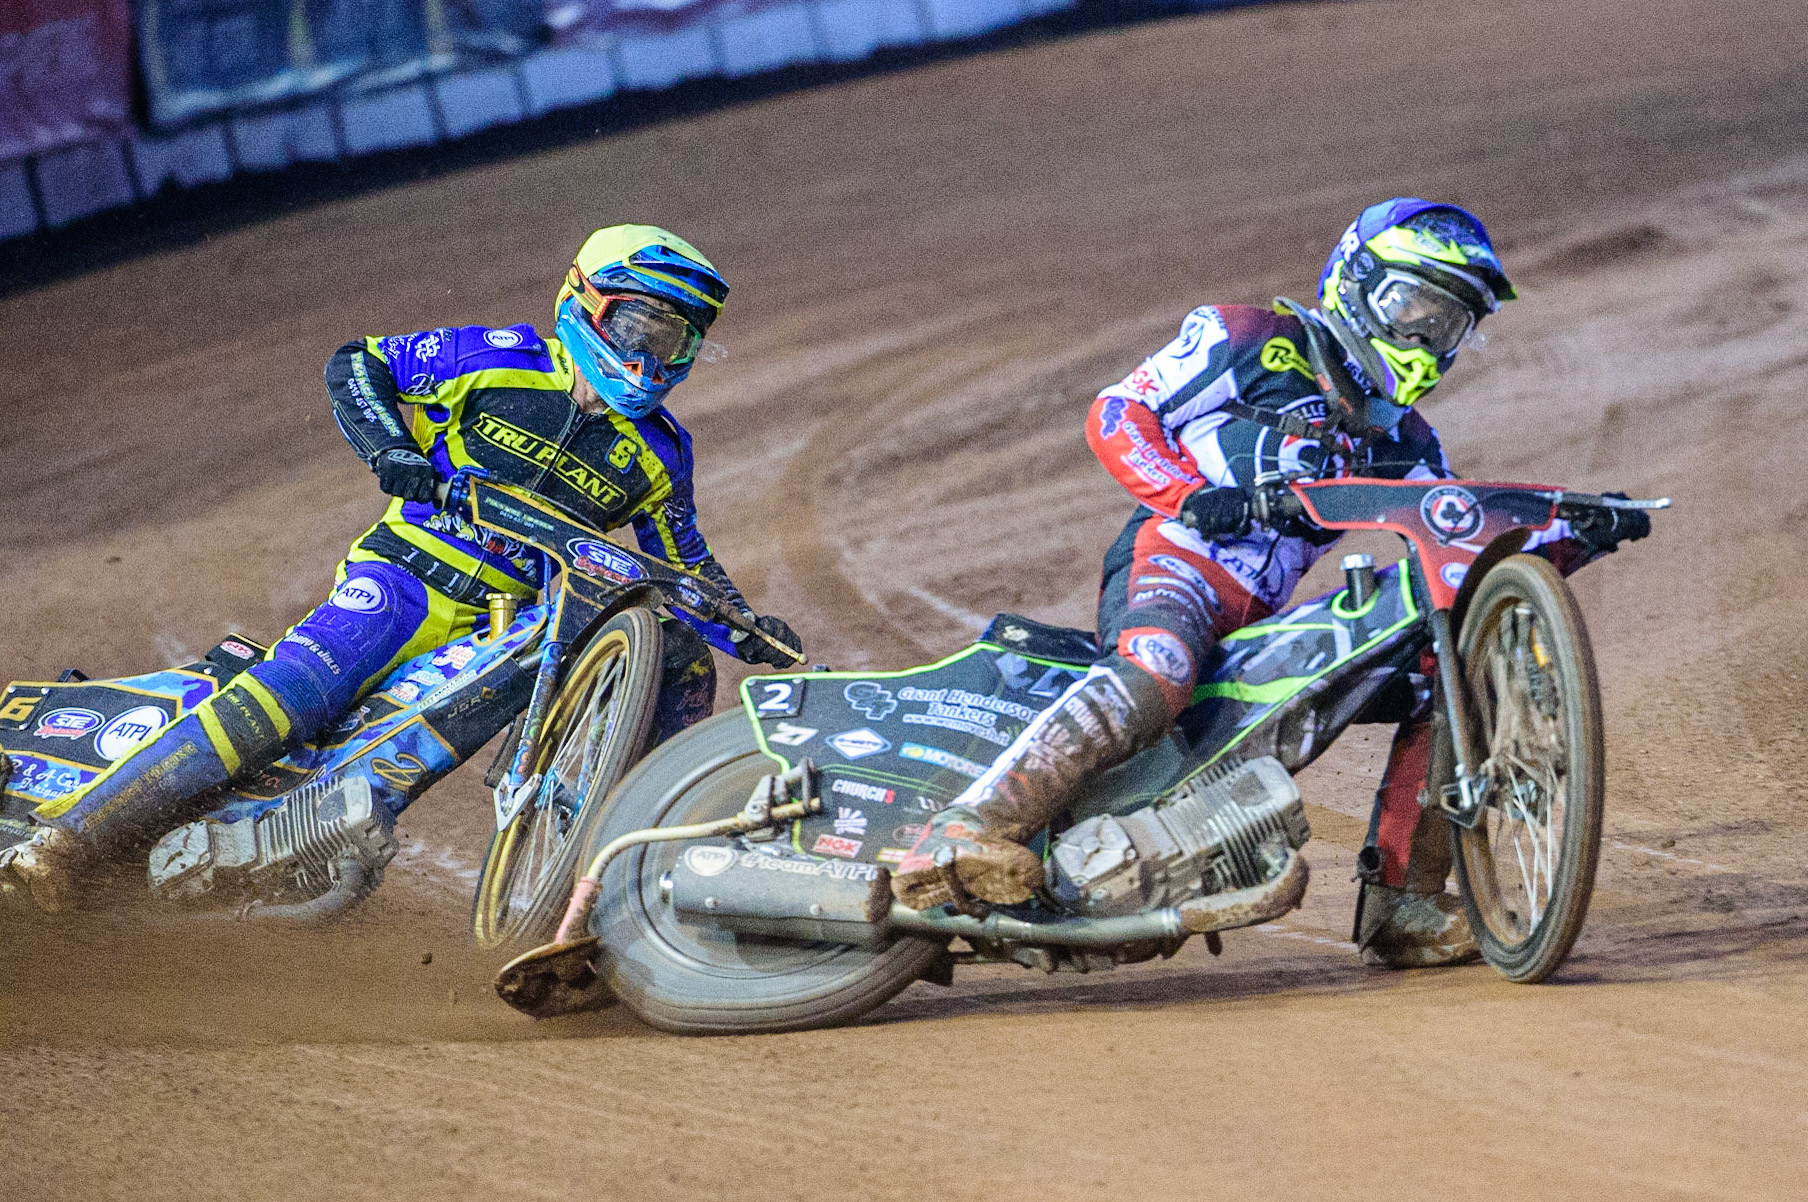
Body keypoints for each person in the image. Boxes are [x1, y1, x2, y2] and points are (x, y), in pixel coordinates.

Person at [892, 198, 1648, 967]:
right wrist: (1192, 495)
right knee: (1160, 666)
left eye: (1447, 322)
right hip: (1176, 562)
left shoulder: (1404, 438)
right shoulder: (1245, 338)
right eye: (1411, 305)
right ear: (1356, 282)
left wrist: (1576, 532)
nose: (1425, 334)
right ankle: (966, 827)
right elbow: (1119, 411)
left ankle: (1402, 902)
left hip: (1260, 618)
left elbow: (1456, 535)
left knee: (1441, 677)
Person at [1, 224, 801, 912]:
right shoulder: (499, 358)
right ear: (583, 303)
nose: (651, 356)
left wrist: (752, 631)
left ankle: (610, 878)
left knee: (395, 771)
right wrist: (390, 447)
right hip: (403, 579)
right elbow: (359, 364)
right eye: (637, 328)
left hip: (510, 621)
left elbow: (683, 567)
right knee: (295, 695)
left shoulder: (662, 454)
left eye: (675, 340)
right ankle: (69, 843)